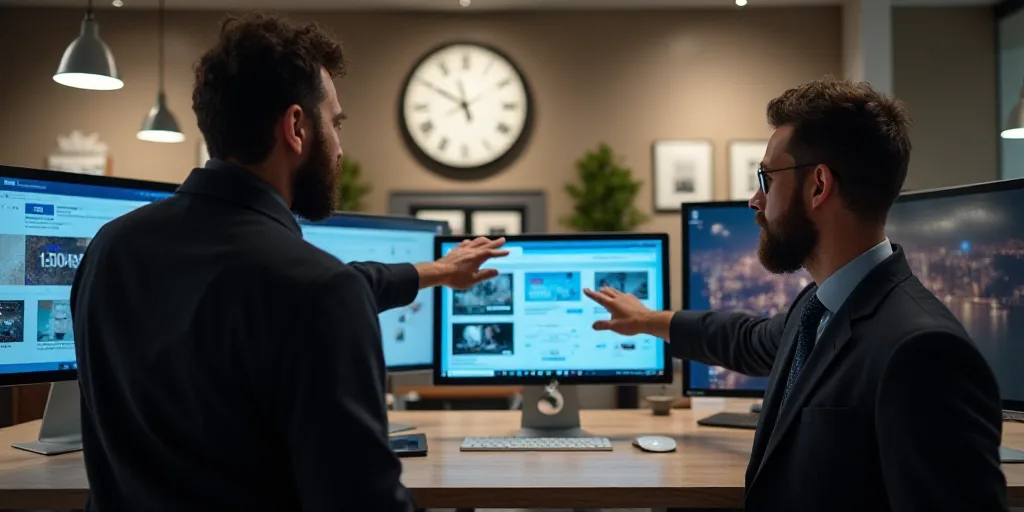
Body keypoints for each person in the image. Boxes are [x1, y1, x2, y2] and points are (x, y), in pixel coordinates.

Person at [70, 12, 506, 512]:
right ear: (297, 127)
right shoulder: (314, 290)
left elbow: (303, 295)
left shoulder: (110, 250)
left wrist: (435, 271)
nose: (340, 147)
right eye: (335, 124)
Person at [585, 77, 1008, 511]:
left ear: (819, 185)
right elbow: (747, 340)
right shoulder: (817, 308)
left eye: (765, 178)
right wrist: (647, 320)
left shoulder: (923, 352)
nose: (754, 200)